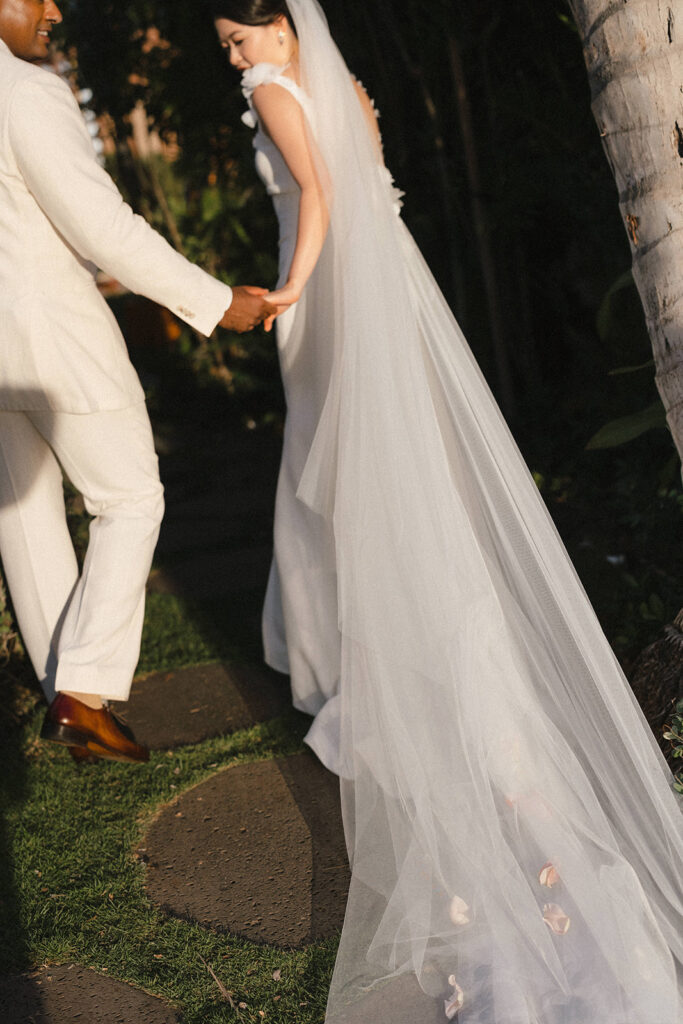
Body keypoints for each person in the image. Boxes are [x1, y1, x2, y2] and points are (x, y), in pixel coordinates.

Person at [211, 2, 683, 1022]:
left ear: (278, 29)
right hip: (376, 282)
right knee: (371, 475)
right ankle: (347, 652)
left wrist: (290, 288)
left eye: (239, 39)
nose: (235, 59)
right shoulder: (341, 87)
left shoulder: (273, 86)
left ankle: (338, 665)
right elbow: (368, 178)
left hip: (324, 293)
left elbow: (320, 192)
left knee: (329, 480)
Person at [0, 0, 275, 765]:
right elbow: (101, 226)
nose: (55, 10)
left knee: (23, 517)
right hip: (53, 333)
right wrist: (215, 302)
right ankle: (82, 695)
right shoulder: (25, 90)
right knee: (129, 498)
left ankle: (67, 696)